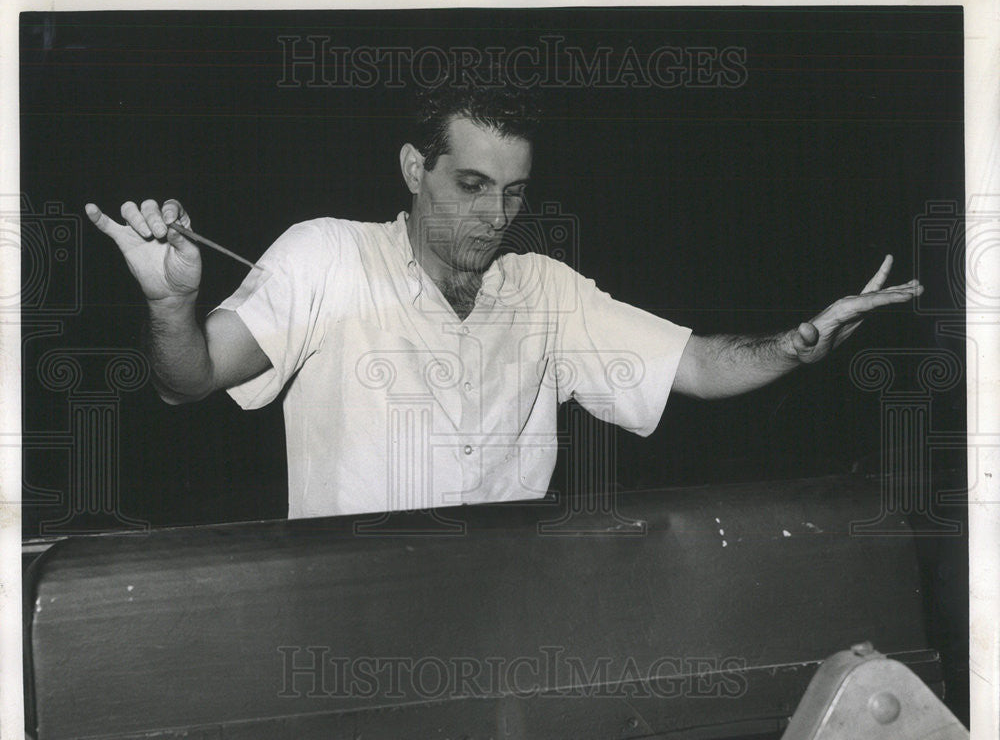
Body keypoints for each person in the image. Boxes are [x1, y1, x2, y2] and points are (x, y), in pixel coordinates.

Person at [85, 82, 923, 519]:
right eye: (473, 186)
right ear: (416, 169)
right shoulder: (326, 256)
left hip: (507, 615)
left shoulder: (545, 292)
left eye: (514, 193)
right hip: (345, 614)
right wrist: (171, 307)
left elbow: (697, 365)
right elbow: (187, 380)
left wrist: (801, 339)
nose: (495, 218)